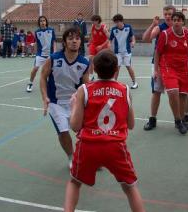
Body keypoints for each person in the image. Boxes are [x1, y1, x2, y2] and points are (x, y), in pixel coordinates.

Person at [65, 50, 145, 212]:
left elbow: (74, 126)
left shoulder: (84, 90)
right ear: (116, 70)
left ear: (93, 68)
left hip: (88, 146)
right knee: (130, 187)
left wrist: (73, 107)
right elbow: (131, 124)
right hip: (115, 146)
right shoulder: (125, 90)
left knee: (74, 182)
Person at [142, 6, 188, 130]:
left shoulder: (185, 32)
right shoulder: (161, 28)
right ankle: (153, 119)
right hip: (159, 64)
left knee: (183, 92)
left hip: (179, 67)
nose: (168, 16)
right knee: (157, 91)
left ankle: (185, 116)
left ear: (178, 17)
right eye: (166, 14)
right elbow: (146, 39)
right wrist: (153, 25)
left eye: (170, 14)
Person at [40, 27, 90, 169]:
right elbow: (43, 77)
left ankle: (87, 156)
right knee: (63, 131)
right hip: (55, 103)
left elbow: (86, 85)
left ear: (81, 42)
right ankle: (71, 157)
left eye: (77, 38)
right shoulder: (54, 59)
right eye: (70, 38)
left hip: (75, 102)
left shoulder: (84, 63)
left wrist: (89, 103)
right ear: (65, 42)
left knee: (84, 132)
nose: (74, 41)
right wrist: (45, 97)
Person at [26, 16, 56, 92]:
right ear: (39, 23)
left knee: (52, 71)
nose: (42, 22)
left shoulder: (51, 30)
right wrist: (35, 53)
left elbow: (54, 42)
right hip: (40, 54)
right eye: (41, 21)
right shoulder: (37, 32)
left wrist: (54, 52)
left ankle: (51, 85)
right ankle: (30, 83)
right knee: (35, 69)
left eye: (44, 21)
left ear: (46, 22)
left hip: (50, 54)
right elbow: (36, 43)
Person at [109, 13, 138, 89]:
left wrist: (133, 42)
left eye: (118, 22)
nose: (117, 24)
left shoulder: (128, 27)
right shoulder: (114, 29)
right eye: (115, 22)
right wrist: (109, 48)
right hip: (117, 52)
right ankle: (114, 83)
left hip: (127, 52)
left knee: (128, 66)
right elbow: (110, 40)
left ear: (122, 21)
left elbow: (132, 37)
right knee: (117, 67)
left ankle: (135, 82)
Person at [88, 14, 110, 80]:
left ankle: (102, 75)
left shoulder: (104, 27)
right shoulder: (93, 26)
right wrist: (90, 42)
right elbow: (91, 35)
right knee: (91, 58)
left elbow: (109, 38)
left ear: (97, 21)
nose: (92, 22)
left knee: (102, 61)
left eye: (93, 21)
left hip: (102, 45)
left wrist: (102, 46)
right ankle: (91, 75)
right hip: (94, 44)